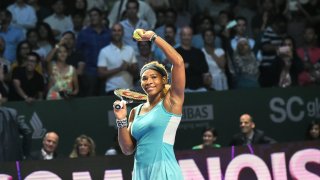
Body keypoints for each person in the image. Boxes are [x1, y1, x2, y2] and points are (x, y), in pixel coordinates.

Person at [113, 28, 185, 179]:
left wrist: (153, 37)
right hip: (140, 174)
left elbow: (178, 62)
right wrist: (121, 120)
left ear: (164, 80)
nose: (149, 82)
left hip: (164, 171)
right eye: (144, 78)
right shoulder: (135, 111)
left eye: (154, 77)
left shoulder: (172, 101)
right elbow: (127, 149)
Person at [97, 23, 138, 95]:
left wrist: (128, 68)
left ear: (123, 32)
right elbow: (100, 73)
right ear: (111, 33)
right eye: (114, 30)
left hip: (130, 90)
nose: (117, 33)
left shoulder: (130, 49)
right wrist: (119, 69)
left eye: (119, 30)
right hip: (112, 90)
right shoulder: (104, 51)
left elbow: (136, 72)